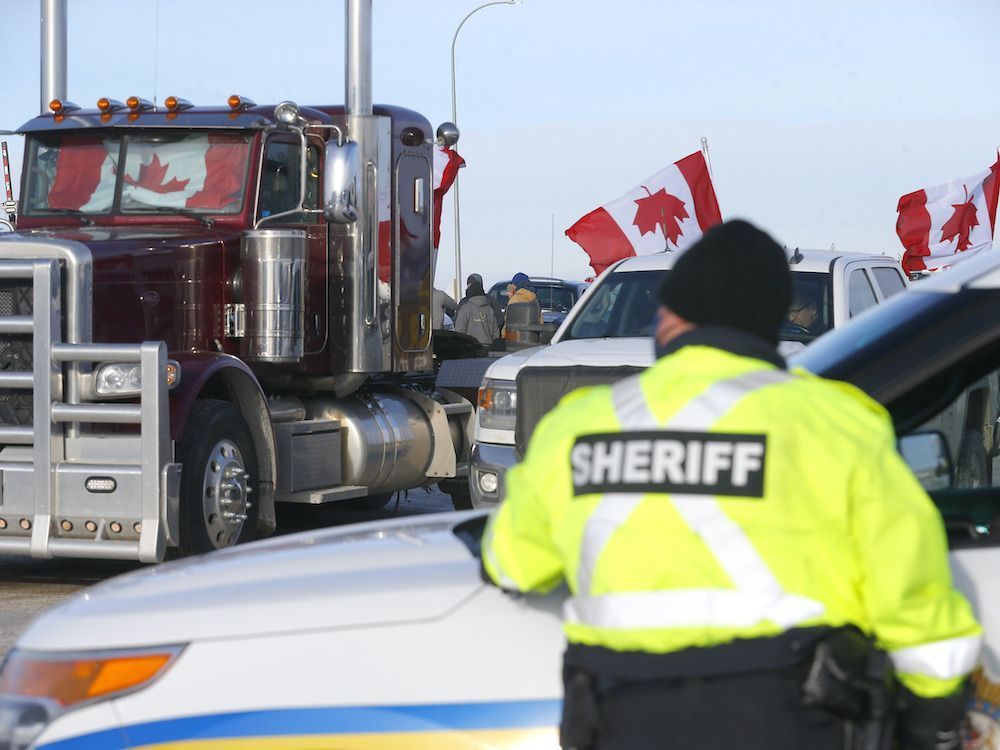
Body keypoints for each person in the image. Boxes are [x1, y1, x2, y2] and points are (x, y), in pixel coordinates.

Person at [482, 219, 981, 750]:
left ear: (670, 316)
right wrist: (932, 715)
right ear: (772, 321)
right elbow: (914, 595)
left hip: (621, 719)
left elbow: (514, 563)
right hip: (792, 722)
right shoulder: (835, 425)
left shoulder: (578, 426)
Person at [453, 277, 500, 345]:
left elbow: (459, 331)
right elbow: (496, 333)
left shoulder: (465, 308)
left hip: (471, 347)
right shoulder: (489, 310)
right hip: (488, 346)